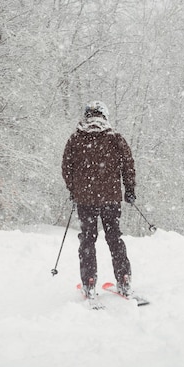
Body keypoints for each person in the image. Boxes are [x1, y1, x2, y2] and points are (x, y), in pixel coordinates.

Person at [61, 100, 136, 300]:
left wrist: (74, 189)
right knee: (114, 238)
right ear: (104, 116)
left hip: (85, 200)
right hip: (111, 199)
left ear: (87, 116)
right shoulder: (115, 139)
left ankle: (89, 282)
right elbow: (128, 165)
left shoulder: (75, 139)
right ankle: (124, 278)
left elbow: (66, 168)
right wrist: (129, 190)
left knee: (88, 240)